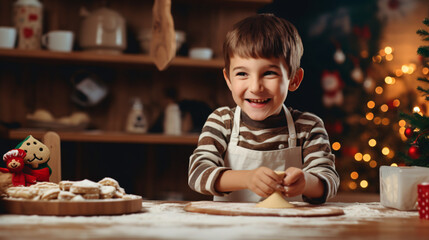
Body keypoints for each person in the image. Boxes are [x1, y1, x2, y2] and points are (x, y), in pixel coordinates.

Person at [188, 13, 339, 204]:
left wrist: (306, 182)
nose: (255, 87)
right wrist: (247, 178)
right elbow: (198, 173)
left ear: (294, 79)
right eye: (242, 73)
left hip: (289, 230)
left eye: (269, 73)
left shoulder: (308, 127)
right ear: (228, 80)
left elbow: (329, 179)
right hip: (232, 231)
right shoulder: (221, 122)